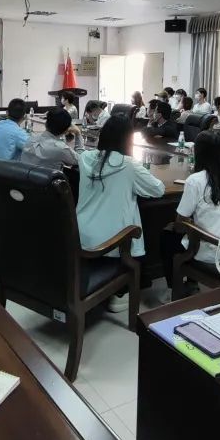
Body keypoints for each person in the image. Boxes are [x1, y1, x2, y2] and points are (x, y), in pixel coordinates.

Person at [76, 115, 164, 311]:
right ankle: (121, 292)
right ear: (128, 139)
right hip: (114, 243)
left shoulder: (85, 158)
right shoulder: (128, 165)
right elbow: (158, 189)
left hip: (81, 236)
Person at [162, 130, 220, 289]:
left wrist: (187, 223)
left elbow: (180, 224)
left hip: (211, 251)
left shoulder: (195, 180)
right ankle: (191, 282)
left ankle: (177, 289)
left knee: (166, 236)